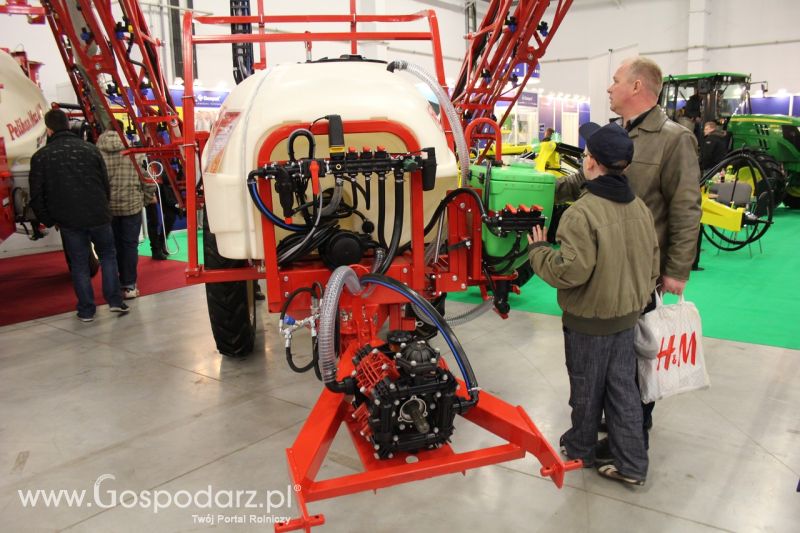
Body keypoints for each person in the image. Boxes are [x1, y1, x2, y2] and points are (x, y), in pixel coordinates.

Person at [555, 56, 702, 454]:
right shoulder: (617, 133)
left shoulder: (674, 139)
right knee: (613, 357)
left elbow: (687, 208)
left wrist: (676, 271)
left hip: (642, 272)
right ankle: (618, 430)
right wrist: (546, 190)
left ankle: (634, 434)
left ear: (637, 87)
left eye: (615, 80)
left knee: (636, 357)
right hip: (602, 268)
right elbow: (588, 176)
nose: (609, 87)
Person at [529, 121, 659, 486]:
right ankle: (632, 463)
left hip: (588, 323)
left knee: (586, 390)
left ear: (590, 163)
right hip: (625, 319)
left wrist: (539, 251)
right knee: (623, 392)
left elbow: (570, 272)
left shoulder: (580, 214)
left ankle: (581, 447)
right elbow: (652, 262)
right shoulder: (641, 208)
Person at [29, 109, 129, 322]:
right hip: (98, 213)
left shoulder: (41, 157)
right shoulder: (90, 150)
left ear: (48, 129)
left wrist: (48, 219)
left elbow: (36, 194)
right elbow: (104, 183)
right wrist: (104, 206)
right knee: (108, 256)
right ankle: (114, 301)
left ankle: (86, 310)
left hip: (68, 219)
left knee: (80, 264)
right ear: (68, 124)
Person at [97, 122, 156, 299]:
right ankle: (129, 285)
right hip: (132, 206)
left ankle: (112, 288)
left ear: (105, 131)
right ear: (122, 132)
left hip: (106, 209)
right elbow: (148, 181)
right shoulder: (135, 154)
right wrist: (145, 200)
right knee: (130, 246)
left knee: (110, 249)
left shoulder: (95, 154)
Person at [145, 173, 179, 260]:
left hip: (164, 185)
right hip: (150, 185)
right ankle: (156, 249)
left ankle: (161, 242)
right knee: (153, 219)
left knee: (171, 216)